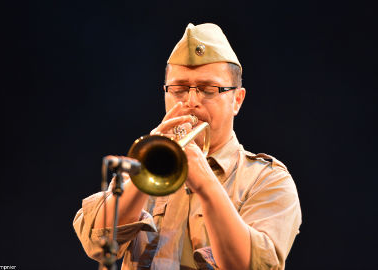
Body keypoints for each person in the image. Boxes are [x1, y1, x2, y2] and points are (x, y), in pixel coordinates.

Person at [73, 23, 302, 270]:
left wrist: (204, 182)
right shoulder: (142, 166)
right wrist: (144, 171)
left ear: (237, 100)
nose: (191, 101)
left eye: (208, 90)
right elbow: (95, 241)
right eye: (179, 89)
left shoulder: (268, 180)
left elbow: (249, 266)